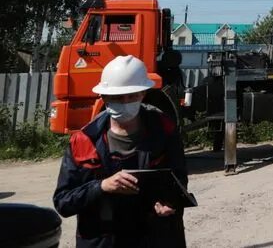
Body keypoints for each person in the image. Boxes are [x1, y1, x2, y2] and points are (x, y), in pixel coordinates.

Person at [53, 55, 188, 248]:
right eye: (117, 98)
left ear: (143, 93)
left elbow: (179, 183)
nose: (125, 102)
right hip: (104, 240)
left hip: (155, 238)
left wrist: (169, 202)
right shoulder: (85, 140)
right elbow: (63, 202)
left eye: (132, 96)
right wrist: (101, 186)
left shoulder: (165, 131)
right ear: (105, 97)